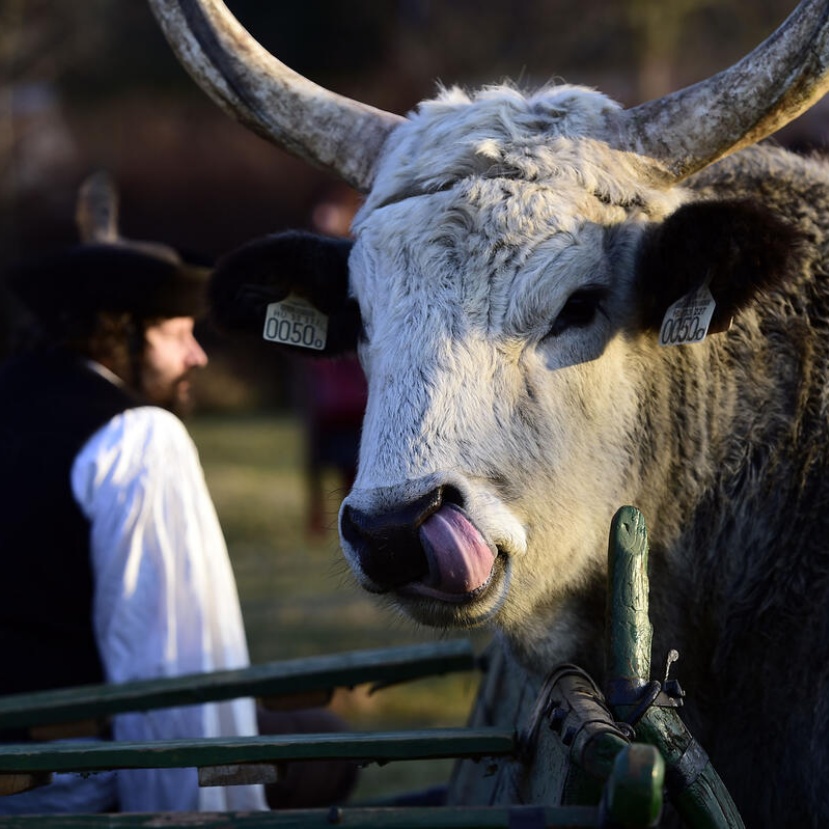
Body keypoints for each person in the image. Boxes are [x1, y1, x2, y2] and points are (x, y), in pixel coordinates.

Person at [0, 174, 267, 814]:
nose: (198, 357)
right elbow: (167, 670)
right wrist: (193, 816)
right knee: (319, 747)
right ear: (118, 331)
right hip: (61, 782)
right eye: (178, 334)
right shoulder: (139, 439)